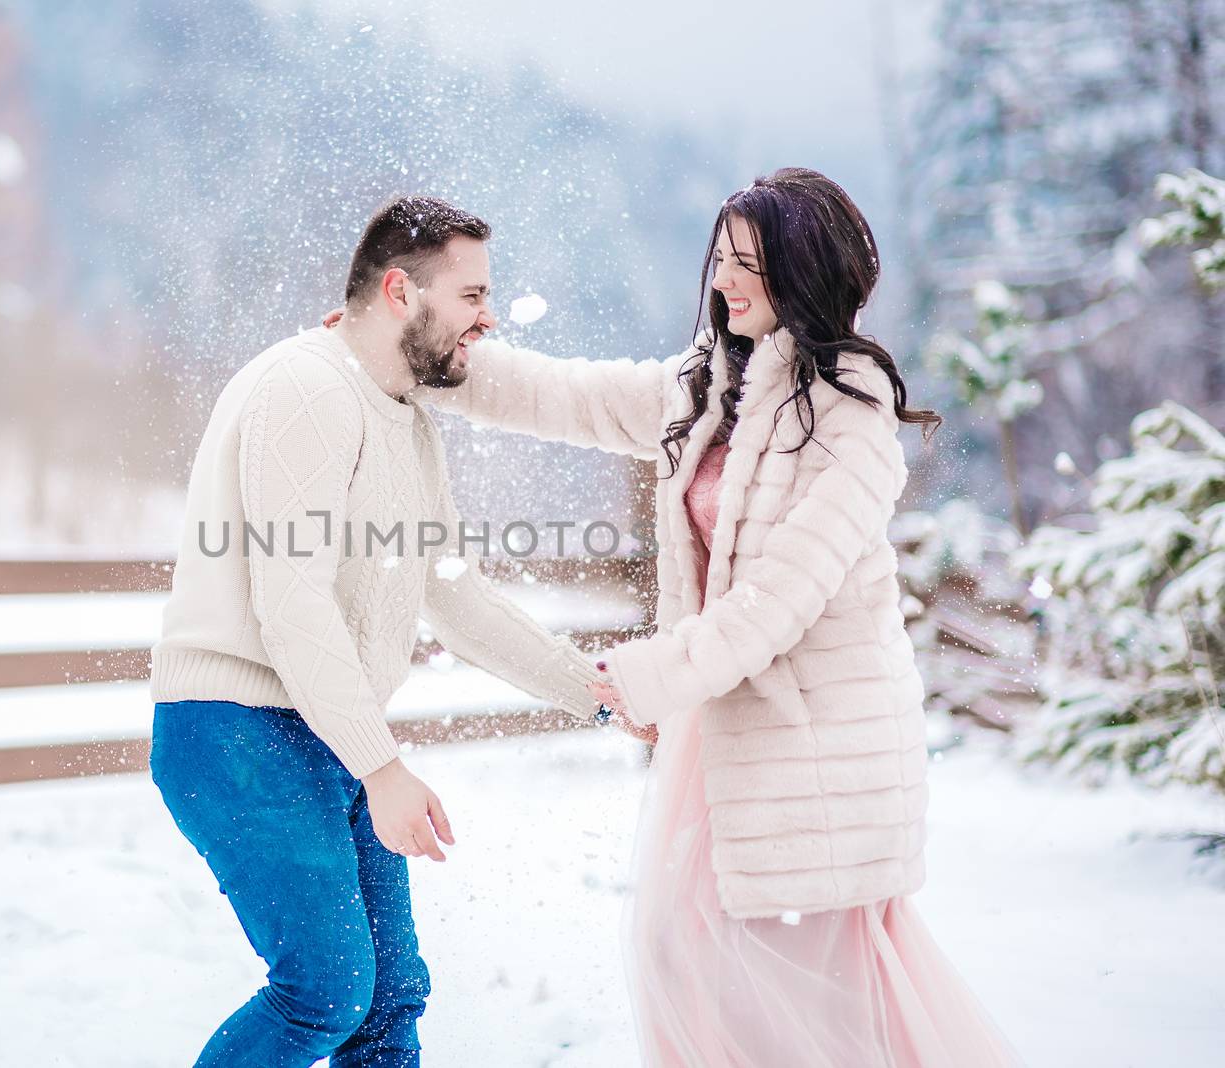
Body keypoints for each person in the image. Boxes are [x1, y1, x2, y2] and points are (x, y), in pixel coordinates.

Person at [412, 168, 1023, 1066]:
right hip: (727, 734)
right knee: (684, 952)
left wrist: (646, 674)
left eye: (751, 264)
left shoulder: (853, 418)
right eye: (723, 259)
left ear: (806, 273)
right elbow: (564, 394)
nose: (725, 282)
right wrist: (422, 350)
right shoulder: (709, 389)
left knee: (806, 1002)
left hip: (820, 748)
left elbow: (774, 604)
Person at [147, 195, 605, 1068]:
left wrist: (596, 693)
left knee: (388, 1002)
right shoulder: (307, 388)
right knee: (324, 992)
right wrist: (382, 767)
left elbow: (455, 594)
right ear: (401, 290)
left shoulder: (402, 418)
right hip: (233, 724)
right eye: (470, 296)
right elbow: (293, 601)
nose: (488, 318)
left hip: (323, 724)